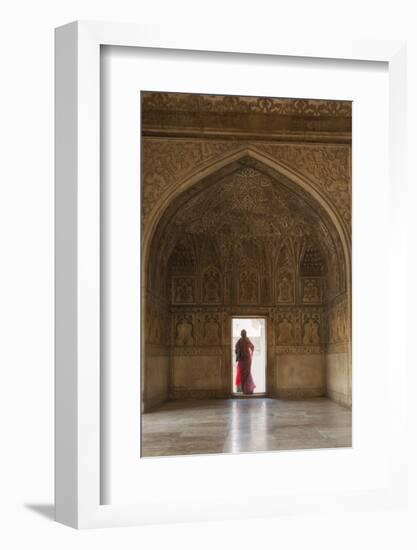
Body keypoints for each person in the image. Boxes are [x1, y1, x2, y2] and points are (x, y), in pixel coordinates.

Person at [235, 329, 256, 394]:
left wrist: (238, 354)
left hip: (243, 359)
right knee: (246, 374)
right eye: (243, 333)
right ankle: (247, 390)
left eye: (243, 333)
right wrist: (251, 353)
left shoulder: (240, 341)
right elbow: (252, 347)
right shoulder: (245, 340)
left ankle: (245, 390)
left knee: (243, 374)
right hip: (246, 359)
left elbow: (236, 350)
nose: (243, 334)